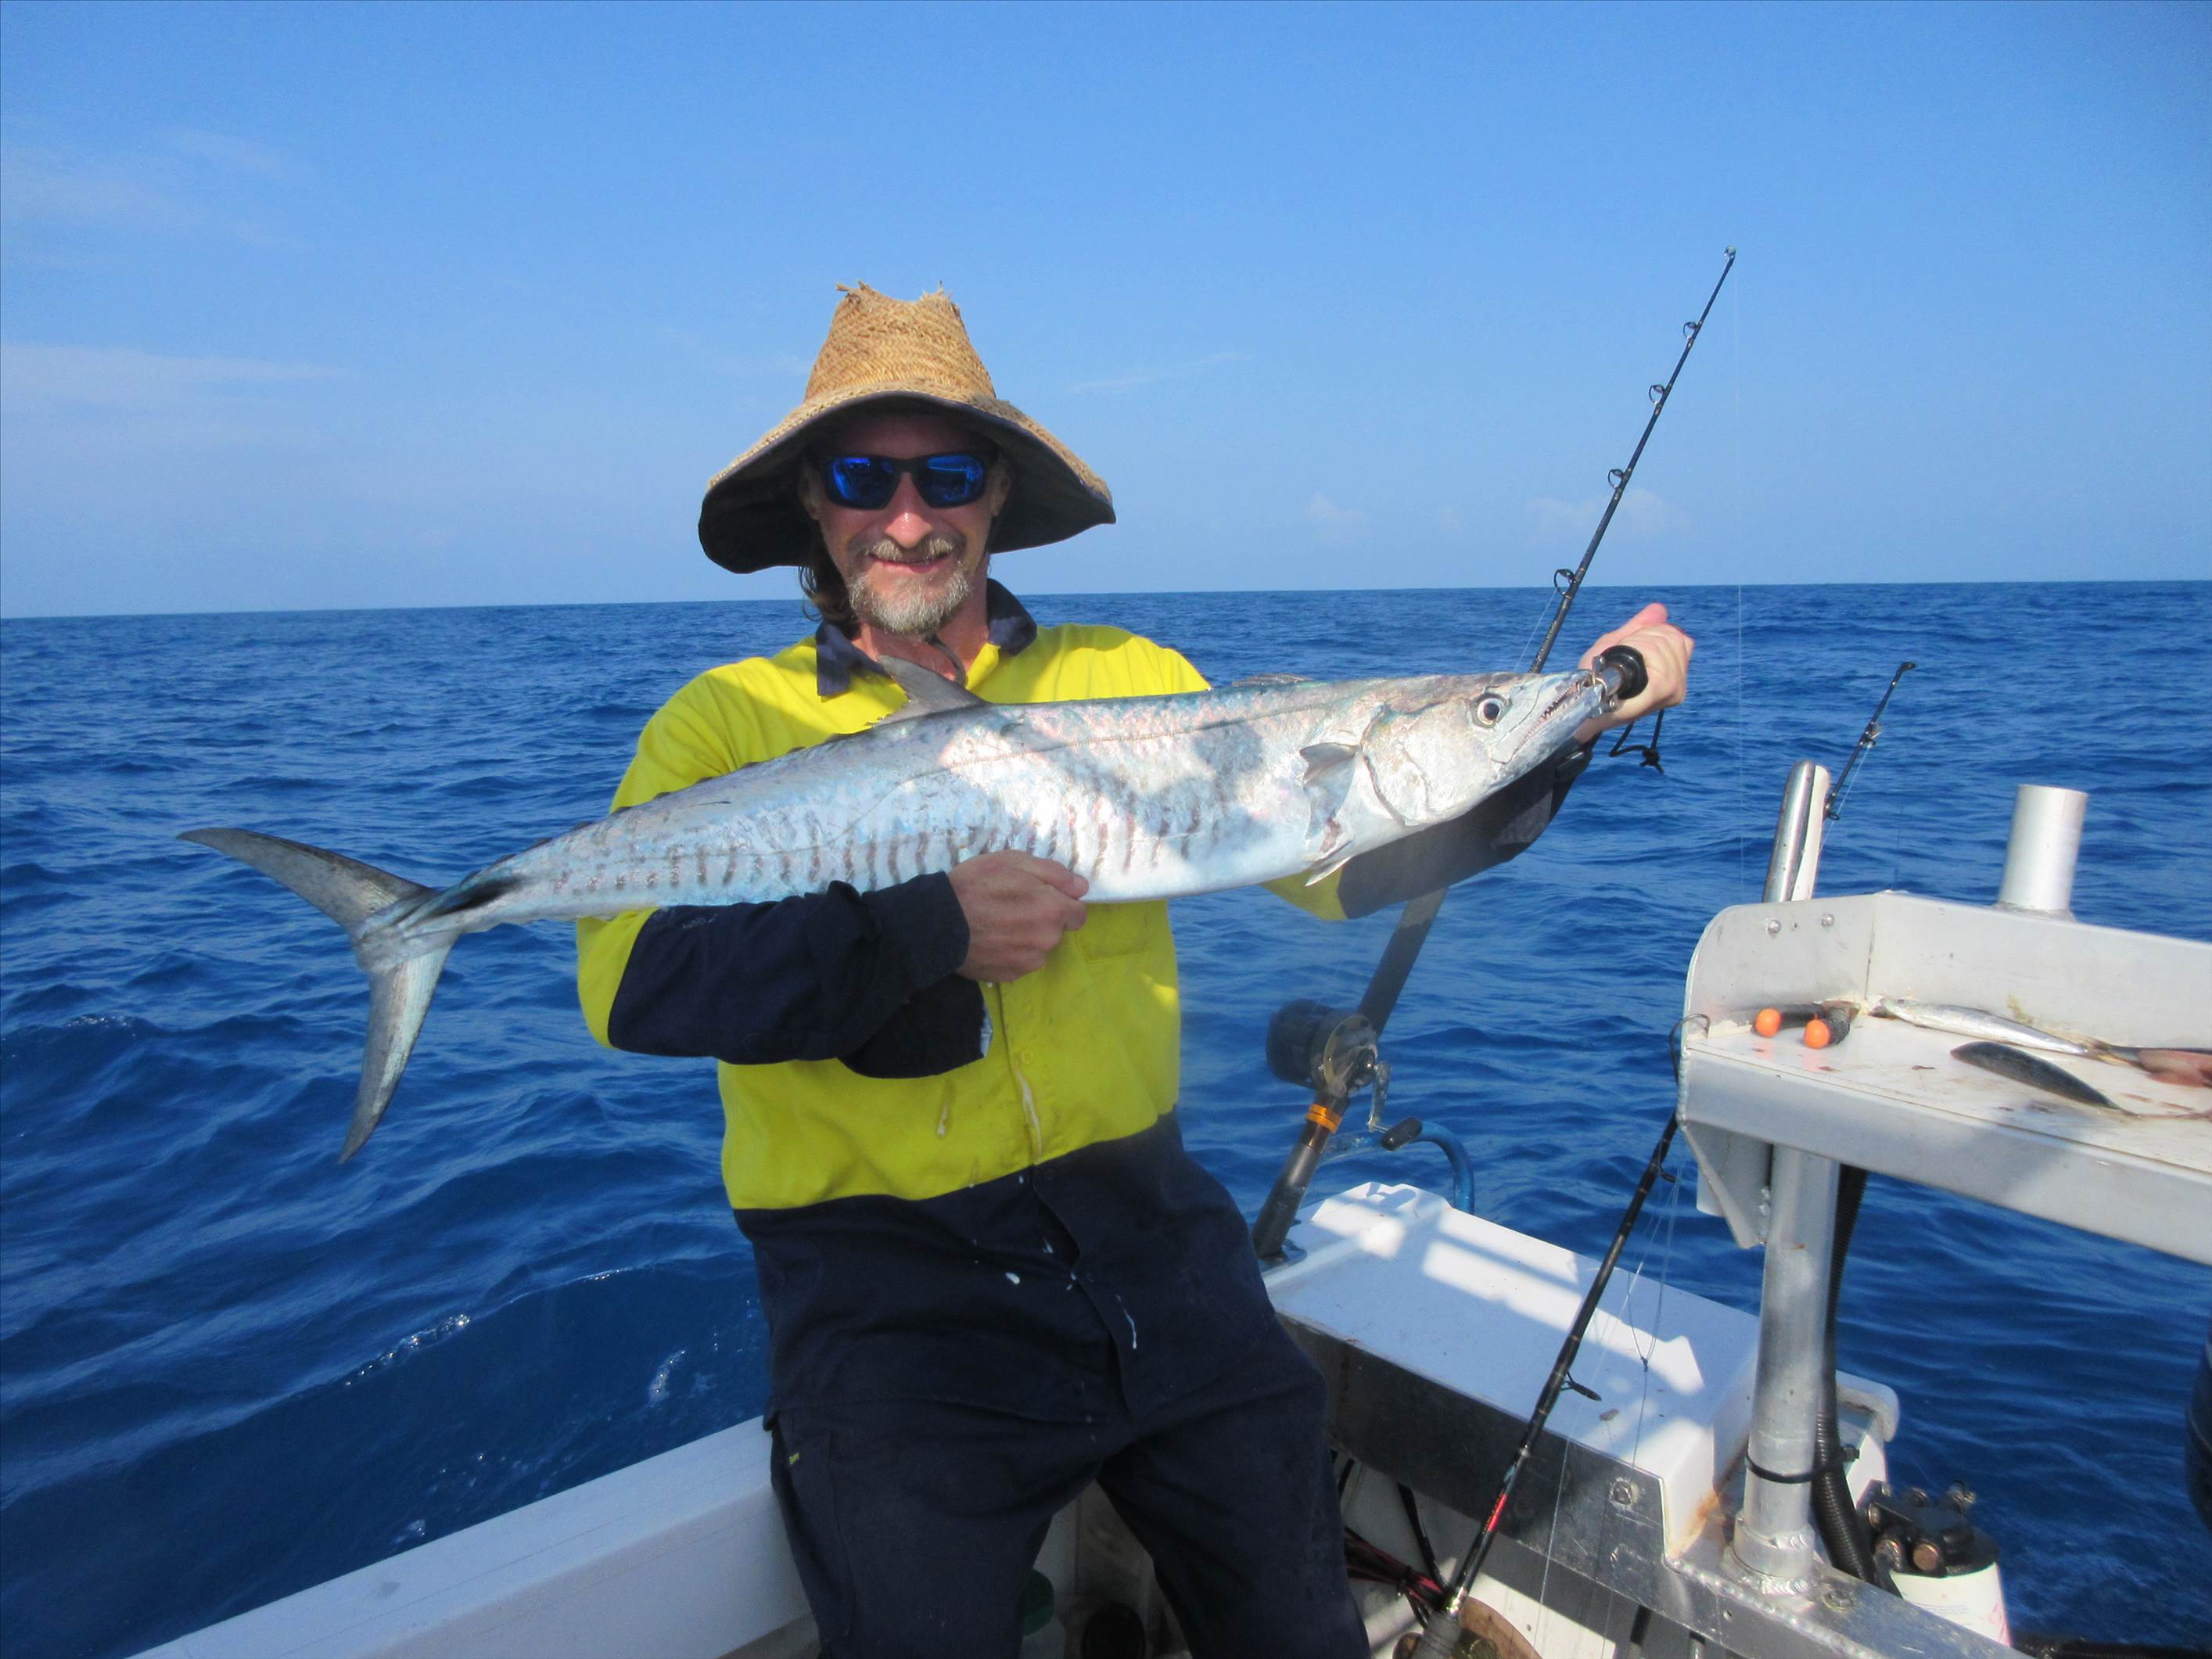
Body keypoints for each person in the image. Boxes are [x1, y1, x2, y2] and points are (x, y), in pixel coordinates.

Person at [576, 284, 1691, 1659]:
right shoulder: (727, 724)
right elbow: (634, 985)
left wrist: (1569, 719)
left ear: (997, 496)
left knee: (1301, 1628)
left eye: (950, 474)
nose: (910, 515)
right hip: (887, 1297)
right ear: (816, 500)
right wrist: (927, 929)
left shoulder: (1135, 676)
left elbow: (1342, 866)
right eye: (867, 476)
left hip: (1154, 1238)